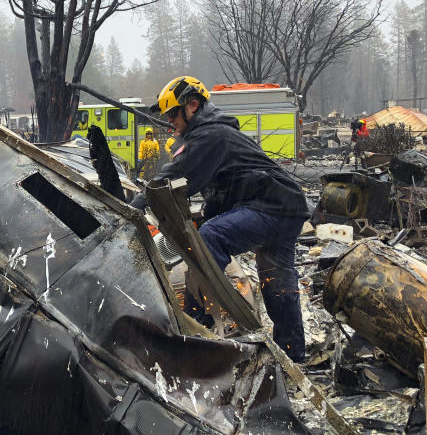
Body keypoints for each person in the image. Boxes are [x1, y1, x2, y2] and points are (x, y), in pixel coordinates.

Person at [131, 76, 309, 361]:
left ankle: (194, 329)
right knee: (277, 284)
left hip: (272, 206)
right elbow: (226, 190)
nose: (170, 122)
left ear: (192, 105)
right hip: (285, 207)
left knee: (211, 238)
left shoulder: (210, 136)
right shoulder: (217, 136)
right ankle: (293, 356)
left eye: (173, 114)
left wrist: (131, 207)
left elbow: (171, 179)